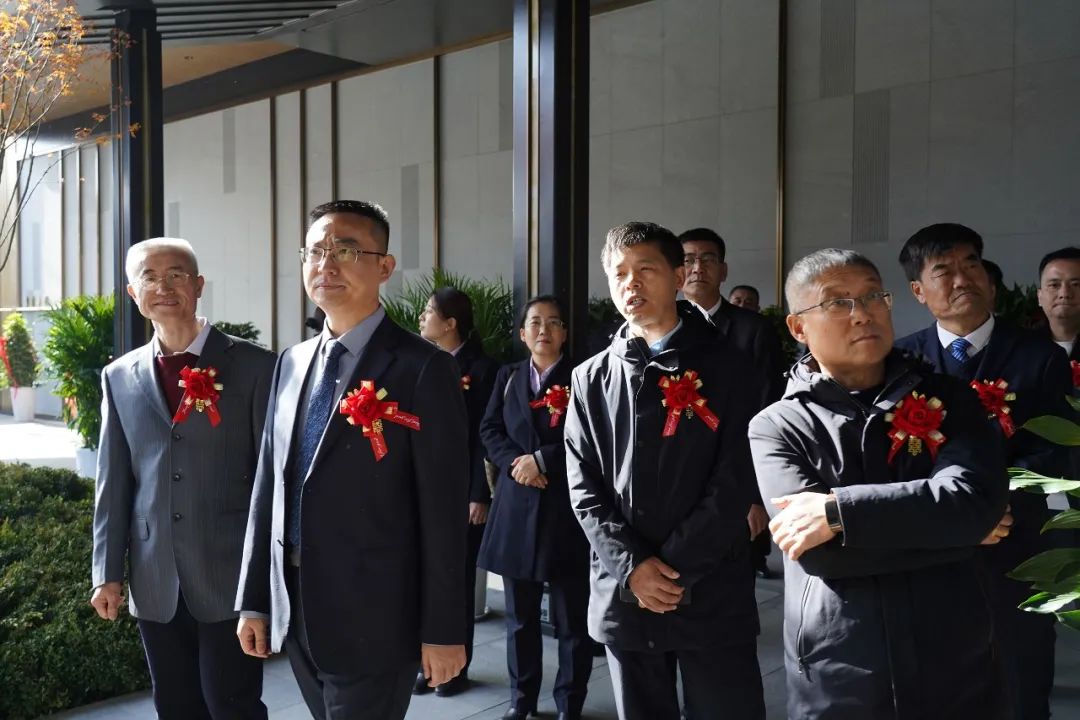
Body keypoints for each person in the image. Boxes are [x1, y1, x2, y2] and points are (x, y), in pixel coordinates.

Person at [748, 248, 1011, 719]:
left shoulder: (949, 398)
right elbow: (821, 555)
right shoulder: (777, 426)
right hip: (839, 664)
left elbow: (973, 502)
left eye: (873, 296)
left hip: (953, 652)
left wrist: (837, 513)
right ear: (798, 327)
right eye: (837, 302)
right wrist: (954, 532)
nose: (862, 313)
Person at [234, 200, 470, 720]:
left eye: (345, 251)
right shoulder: (291, 362)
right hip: (296, 605)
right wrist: (255, 598)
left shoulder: (423, 368)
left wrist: (444, 630)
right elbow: (268, 486)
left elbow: (443, 512)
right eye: (315, 252)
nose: (327, 265)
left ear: (385, 266)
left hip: (379, 614)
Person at [565, 222, 765, 720]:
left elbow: (736, 476)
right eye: (619, 274)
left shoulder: (729, 366)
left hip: (711, 584)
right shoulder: (590, 377)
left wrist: (674, 569)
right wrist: (633, 567)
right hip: (625, 591)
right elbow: (583, 484)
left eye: (646, 269)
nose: (630, 283)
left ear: (678, 277)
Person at [90, 237, 274, 719]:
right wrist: (106, 573)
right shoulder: (119, 376)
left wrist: (265, 584)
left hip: (229, 574)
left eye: (176, 275)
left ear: (198, 285)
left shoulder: (255, 366)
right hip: (154, 576)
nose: (164, 287)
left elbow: (270, 478)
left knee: (231, 705)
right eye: (149, 277)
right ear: (133, 293)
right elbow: (113, 482)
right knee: (174, 705)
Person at [896, 223, 1072, 720]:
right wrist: (948, 512)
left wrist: (991, 505)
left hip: (1015, 539)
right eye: (943, 271)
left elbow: (1055, 448)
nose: (961, 279)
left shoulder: (1039, 356)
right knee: (937, 674)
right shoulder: (903, 361)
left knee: (1020, 669)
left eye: (970, 264)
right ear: (919, 290)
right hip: (930, 546)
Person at [478, 295, 593, 720]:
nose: (544, 330)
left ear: (564, 333)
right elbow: (489, 429)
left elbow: (592, 438)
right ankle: (521, 700)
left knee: (572, 621)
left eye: (553, 323)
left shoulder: (582, 377)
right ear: (523, 333)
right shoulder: (508, 376)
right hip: (516, 507)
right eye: (535, 323)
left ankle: (569, 704)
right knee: (520, 619)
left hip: (566, 511)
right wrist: (517, 464)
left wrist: (542, 460)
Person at [679, 228, 781, 578]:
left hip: (735, 478)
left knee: (732, 582)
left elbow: (768, 409)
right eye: (688, 260)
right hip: (675, 481)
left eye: (707, 259)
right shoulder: (657, 327)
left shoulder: (754, 330)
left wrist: (755, 494)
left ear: (723, 271)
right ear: (676, 272)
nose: (697, 268)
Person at [415, 286, 499, 697]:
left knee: (458, 580)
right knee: (421, 577)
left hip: (463, 491)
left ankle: (454, 670)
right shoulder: (422, 362)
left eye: (428, 311)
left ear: (450, 323)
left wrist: (478, 493)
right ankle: (424, 664)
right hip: (423, 489)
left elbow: (484, 436)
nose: (421, 316)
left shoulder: (483, 370)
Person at [1037, 247, 1080, 364]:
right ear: (1039, 296)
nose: (1064, 294)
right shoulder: (1019, 348)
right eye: (1054, 285)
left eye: (1076, 284)